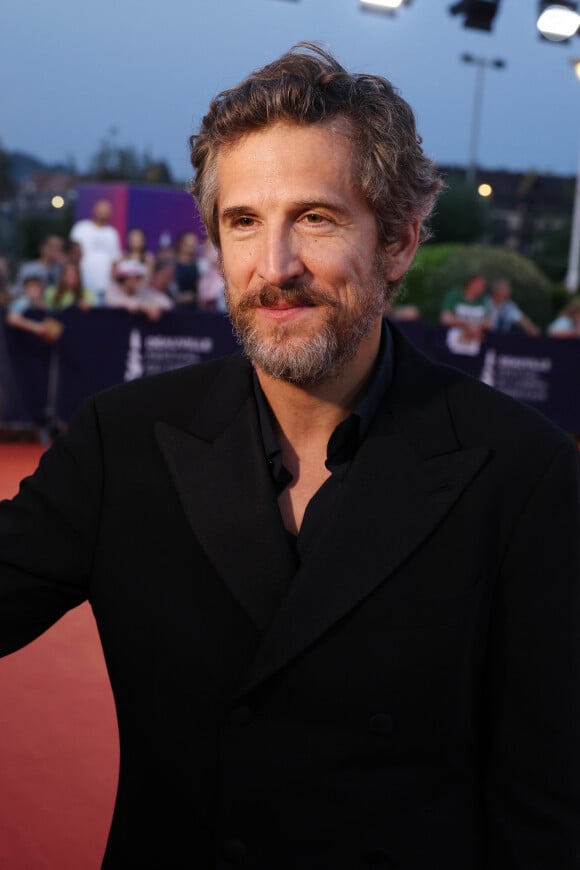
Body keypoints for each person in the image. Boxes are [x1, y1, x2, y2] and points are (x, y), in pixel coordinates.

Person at [1, 43, 579, 869]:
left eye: (315, 217)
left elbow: (546, 804)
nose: (273, 269)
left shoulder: (523, 471)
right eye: (243, 222)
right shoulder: (120, 444)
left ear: (400, 244)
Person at [70, 199, 122, 304]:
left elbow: (115, 260)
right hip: (83, 286)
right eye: (101, 210)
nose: (104, 213)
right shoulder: (81, 228)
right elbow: (72, 255)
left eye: (107, 211)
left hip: (105, 288)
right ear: (94, 210)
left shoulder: (112, 233)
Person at [105, 258, 172, 320]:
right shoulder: (113, 291)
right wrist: (143, 307)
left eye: (137, 277)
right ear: (122, 280)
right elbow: (115, 301)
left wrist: (155, 306)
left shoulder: (142, 290)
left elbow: (166, 302)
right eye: (129, 278)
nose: (133, 281)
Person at [5, 274, 63, 342]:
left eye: (38, 287)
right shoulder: (22, 302)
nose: (35, 290)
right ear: (25, 289)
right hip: (22, 346)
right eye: (32, 287)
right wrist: (37, 327)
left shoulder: (43, 305)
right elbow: (13, 319)